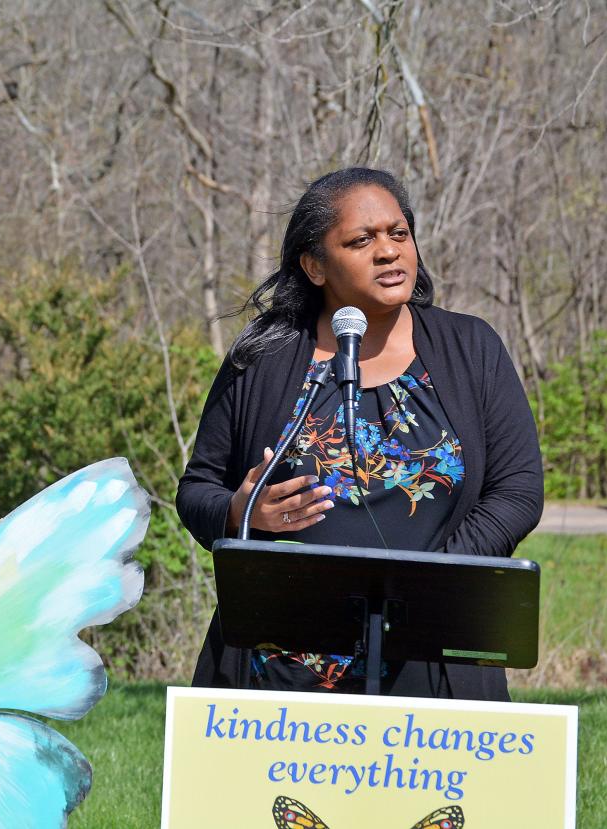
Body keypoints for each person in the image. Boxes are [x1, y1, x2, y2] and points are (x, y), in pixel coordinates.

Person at [176, 167, 543, 700]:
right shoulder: (263, 357)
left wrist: (428, 585)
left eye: (399, 233)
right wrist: (240, 513)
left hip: (433, 656)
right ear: (315, 266)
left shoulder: (471, 348)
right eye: (361, 240)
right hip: (281, 671)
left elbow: (518, 490)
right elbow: (197, 489)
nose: (389, 251)